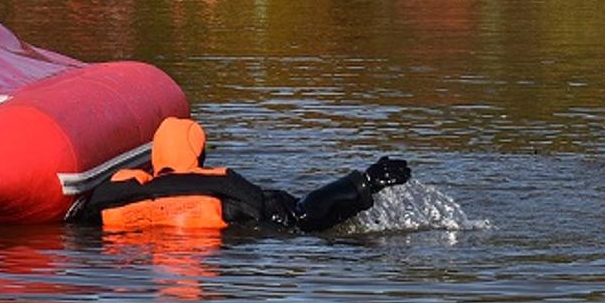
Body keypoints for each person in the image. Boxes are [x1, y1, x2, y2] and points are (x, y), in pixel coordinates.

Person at [67, 117, 412, 233]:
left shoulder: (114, 195)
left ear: (155, 158)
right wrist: (363, 183)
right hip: (227, 237)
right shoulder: (226, 189)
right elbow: (304, 216)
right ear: (198, 155)